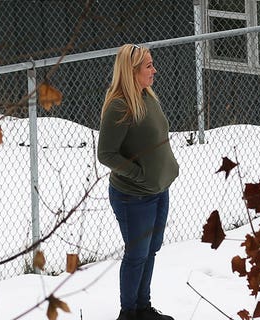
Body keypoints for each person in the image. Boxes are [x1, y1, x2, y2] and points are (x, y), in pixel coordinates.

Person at [98, 44, 178, 320]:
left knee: (151, 251)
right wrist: (140, 174)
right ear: (132, 72)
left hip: (158, 190)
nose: (154, 70)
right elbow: (106, 153)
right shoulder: (119, 105)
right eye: (148, 66)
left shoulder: (148, 96)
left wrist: (166, 167)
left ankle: (143, 308)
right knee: (136, 256)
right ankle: (128, 313)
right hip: (133, 196)